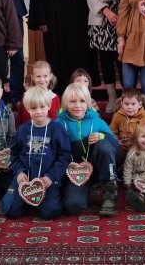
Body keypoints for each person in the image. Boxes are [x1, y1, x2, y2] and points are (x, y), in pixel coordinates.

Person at [0, 86, 72, 220]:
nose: (38, 111)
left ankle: (52, 196)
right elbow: (14, 154)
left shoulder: (57, 129)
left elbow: (64, 156)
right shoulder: (22, 130)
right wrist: (19, 172)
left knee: (49, 212)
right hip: (25, 179)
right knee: (9, 210)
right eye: (33, 108)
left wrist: (51, 176)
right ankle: (26, 200)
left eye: (42, 107)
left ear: (49, 106)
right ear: (27, 109)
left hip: (47, 180)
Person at [86, 0, 134, 113]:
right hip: (102, 21)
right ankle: (112, 97)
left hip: (124, 20)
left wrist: (121, 15)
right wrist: (106, 11)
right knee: (106, 62)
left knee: (122, 61)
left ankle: (125, 98)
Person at [56, 83, 120, 216]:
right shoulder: (58, 124)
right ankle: (82, 189)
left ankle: (109, 192)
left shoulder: (96, 121)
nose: (77, 105)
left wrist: (101, 136)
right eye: (72, 101)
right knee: (74, 206)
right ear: (65, 103)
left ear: (88, 103)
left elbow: (115, 143)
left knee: (104, 145)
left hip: (96, 166)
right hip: (74, 171)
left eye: (82, 101)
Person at [108, 88, 145, 176]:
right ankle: (115, 174)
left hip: (139, 148)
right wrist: (118, 142)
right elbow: (112, 132)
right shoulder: (117, 116)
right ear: (122, 104)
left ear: (140, 105)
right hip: (122, 146)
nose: (130, 107)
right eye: (127, 104)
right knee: (115, 154)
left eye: (133, 104)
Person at [17, 60, 61, 128]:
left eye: (45, 76)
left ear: (50, 76)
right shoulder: (26, 95)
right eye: (38, 76)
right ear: (32, 77)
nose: (42, 79)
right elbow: (21, 118)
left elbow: (57, 120)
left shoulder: (54, 98)